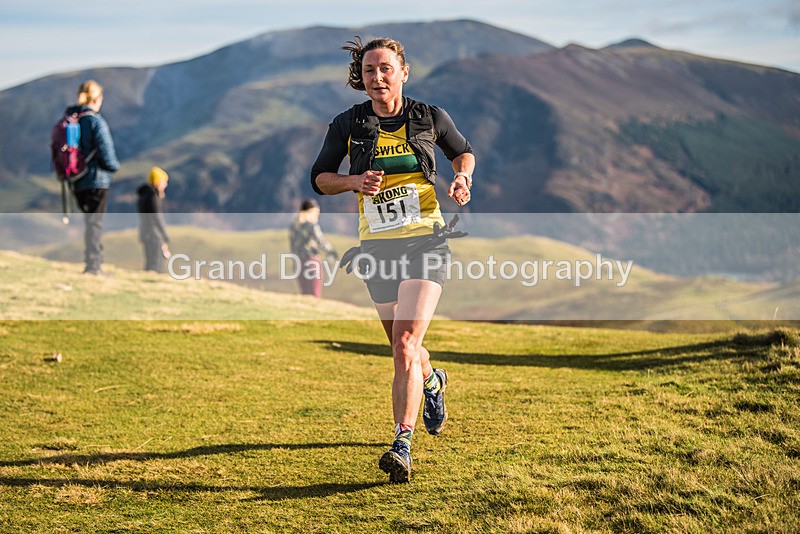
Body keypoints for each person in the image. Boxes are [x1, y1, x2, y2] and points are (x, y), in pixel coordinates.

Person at [310, 37, 475, 483]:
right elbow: (319, 178)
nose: (377, 77)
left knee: (404, 344)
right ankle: (433, 381)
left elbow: (463, 150)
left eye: (386, 69)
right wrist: (353, 182)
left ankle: (402, 442)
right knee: (406, 350)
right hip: (377, 249)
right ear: (360, 79)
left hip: (426, 241)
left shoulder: (429, 116)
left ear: (403, 71)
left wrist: (461, 176)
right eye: (369, 71)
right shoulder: (347, 123)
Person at [66, 80, 120, 275]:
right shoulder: (95, 121)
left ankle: (93, 262)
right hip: (96, 179)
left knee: (90, 222)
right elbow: (107, 153)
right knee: (95, 223)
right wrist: (114, 167)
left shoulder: (72, 120)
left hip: (76, 179)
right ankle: (94, 265)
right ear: (96, 98)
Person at [288, 198, 337, 298]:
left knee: (305, 295)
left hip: (298, 262)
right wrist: (331, 251)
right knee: (314, 294)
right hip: (311, 261)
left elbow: (292, 246)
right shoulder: (311, 225)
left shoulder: (294, 225)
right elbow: (320, 241)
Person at [137, 166, 172, 272]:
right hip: (154, 234)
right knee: (155, 263)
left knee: (150, 260)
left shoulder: (143, 195)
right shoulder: (153, 197)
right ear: (158, 182)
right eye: (164, 182)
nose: (165, 185)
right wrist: (165, 235)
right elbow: (157, 217)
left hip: (145, 232)